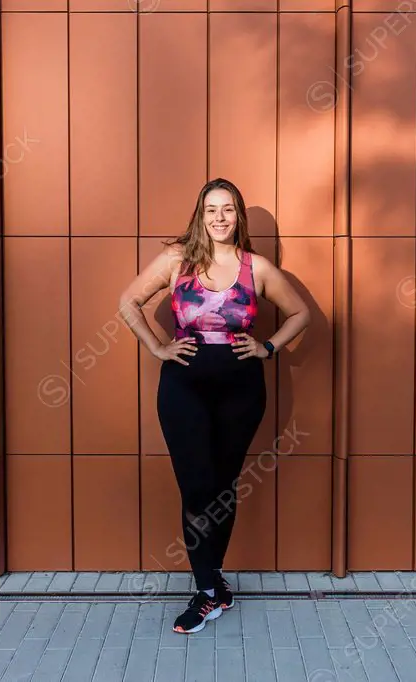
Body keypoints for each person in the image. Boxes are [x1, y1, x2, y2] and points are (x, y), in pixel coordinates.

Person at [118, 178, 311, 634]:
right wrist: (157, 347)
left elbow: (300, 312)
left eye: (227, 210)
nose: (219, 218)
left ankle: (213, 584)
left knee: (223, 488)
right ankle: (206, 590)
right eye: (211, 210)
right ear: (199, 216)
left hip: (242, 392)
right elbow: (128, 302)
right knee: (197, 486)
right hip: (183, 389)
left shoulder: (257, 268)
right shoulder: (176, 260)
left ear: (238, 216)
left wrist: (267, 347)